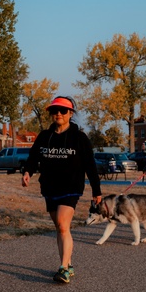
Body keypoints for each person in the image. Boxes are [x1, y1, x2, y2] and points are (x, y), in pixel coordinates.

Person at [22, 96, 101, 280]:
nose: (58, 114)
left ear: (70, 114)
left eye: (63, 111)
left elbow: (90, 165)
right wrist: (28, 172)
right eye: (54, 110)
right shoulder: (44, 136)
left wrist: (96, 191)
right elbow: (33, 157)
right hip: (49, 187)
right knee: (59, 227)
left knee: (63, 225)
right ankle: (68, 263)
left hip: (71, 187)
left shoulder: (80, 138)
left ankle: (63, 268)